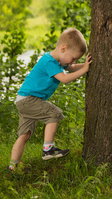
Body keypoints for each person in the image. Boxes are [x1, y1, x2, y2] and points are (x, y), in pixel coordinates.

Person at [9, 28, 92, 171]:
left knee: (25, 135)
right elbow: (65, 79)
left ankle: (13, 165)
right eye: (73, 58)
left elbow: (71, 68)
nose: (73, 62)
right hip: (29, 99)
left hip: (23, 100)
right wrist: (84, 70)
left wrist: (87, 66)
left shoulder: (58, 61)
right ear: (63, 48)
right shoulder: (49, 62)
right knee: (54, 114)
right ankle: (48, 149)